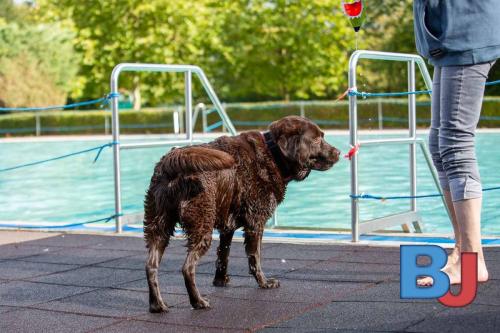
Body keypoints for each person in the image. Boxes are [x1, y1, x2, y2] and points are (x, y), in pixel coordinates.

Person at [413, 0, 500, 285]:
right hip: (451, 37)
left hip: (467, 32)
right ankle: (463, 251)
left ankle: (471, 260)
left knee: (455, 145)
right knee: (440, 145)